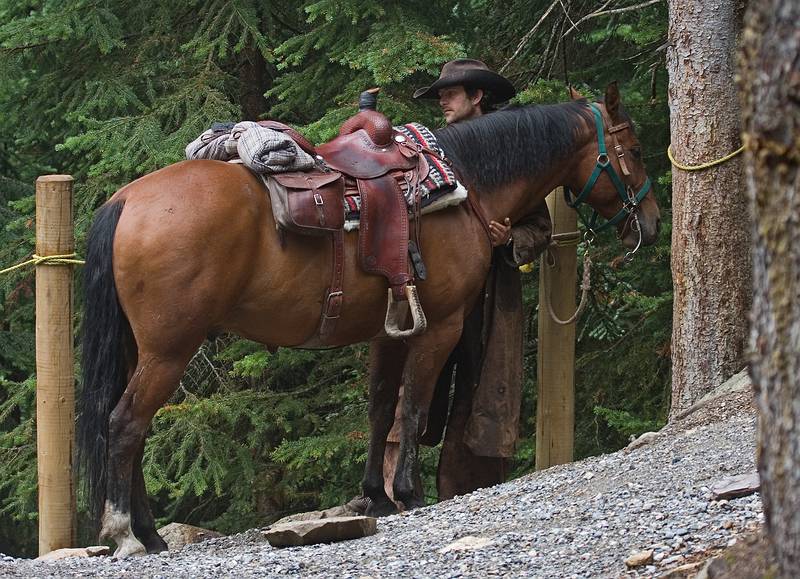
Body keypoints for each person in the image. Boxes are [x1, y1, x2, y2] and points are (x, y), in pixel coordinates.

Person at [383, 59, 553, 502]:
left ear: (477, 96)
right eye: (441, 92)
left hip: (489, 297)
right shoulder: (428, 151)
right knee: (416, 379)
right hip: (436, 290)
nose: (442, 99)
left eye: (452, 92)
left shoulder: (513, 149)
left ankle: (470, 498)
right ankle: (396, 487)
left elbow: (539, 227)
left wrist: (509, 237)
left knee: (481, 390)